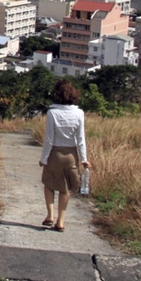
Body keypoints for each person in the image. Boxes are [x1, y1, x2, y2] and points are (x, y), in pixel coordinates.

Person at [39, 79, 89, 232]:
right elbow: (81, 139)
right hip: (71, 155)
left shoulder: (52, 113)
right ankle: (61, 221)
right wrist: (84, 159)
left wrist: (44, 158)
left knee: (49, 184)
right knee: (65, 189)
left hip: (55, 153)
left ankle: (50, 215)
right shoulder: (79, 113)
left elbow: (49, 139)